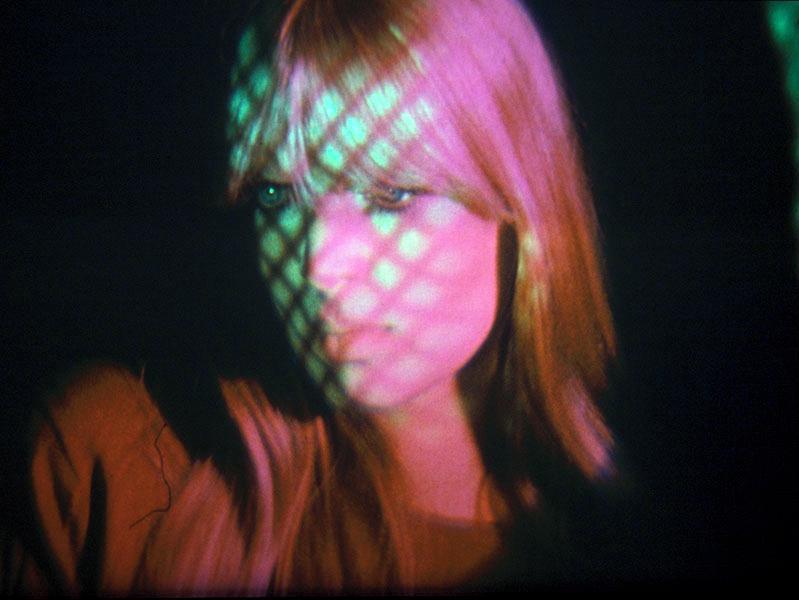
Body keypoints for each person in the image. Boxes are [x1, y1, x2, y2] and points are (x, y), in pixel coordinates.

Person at [7, 0, 618, 594]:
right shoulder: (119, 467)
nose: (319, 266)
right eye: (275, 194)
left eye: (392, 194)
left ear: (522, 211)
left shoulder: (630, 535)